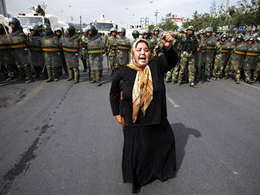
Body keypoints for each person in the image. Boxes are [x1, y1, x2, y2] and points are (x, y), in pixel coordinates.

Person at [110, 33, 178, 194]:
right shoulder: (123, 72)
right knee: (138, 151)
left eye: (146, 49)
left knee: (163, 143)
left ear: (150, 53)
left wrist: (168, 48)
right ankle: (139, 178)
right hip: (134, 121)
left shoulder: (156, 65)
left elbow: (172, 60)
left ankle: (159, 172)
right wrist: (116, 114)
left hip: (156, 117)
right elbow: (113, 93)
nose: (143, 53)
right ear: (133, 53)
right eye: (139, 49)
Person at [8, 18, 34, 83]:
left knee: (25, 64)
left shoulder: (21, 33)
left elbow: (24, 41)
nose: (11, 26)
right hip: (15, 51)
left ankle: (30, 77)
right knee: (19, 64)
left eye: (12, 24)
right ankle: (22, 76)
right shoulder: (11, 33)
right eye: (10, 24)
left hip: (22, 51)